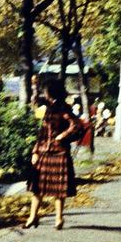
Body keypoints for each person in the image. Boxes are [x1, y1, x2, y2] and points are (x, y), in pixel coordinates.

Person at [23, 76, 81, 230]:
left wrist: (62, 136)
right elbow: (41, 133)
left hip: (59, 153)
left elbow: (76, 124)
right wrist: (35, 151)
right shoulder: (48, 108)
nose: (45, 93)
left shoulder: (63, 109)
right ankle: (33, 216)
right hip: (44, 152)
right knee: (37, 188)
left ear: (52, 92)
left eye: (46, 90)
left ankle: (58, 218)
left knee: (59, 190)